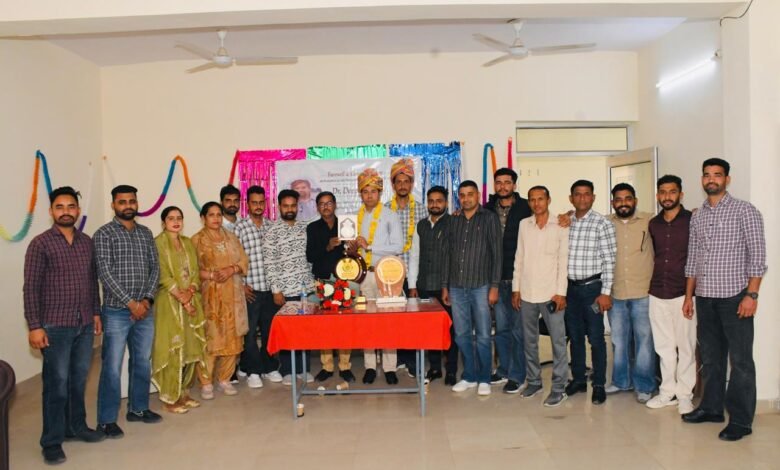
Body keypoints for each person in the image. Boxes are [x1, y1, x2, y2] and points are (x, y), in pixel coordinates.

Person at [682, 158, 767, 442]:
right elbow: (693, 258)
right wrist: (689, 295)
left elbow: (758, 256)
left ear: (727, 179)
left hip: (735, 298)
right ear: (702, 179)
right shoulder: (698, 216)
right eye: (706, 175)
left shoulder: (745, 210)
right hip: (705, 298)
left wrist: (751, 295)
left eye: (717, 175)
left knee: (740, 361)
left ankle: (741, 420)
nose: (711, 179)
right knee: (710, 358)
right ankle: (711, 408)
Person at [23, 186, 105, 465]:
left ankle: (76, 427)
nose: (66, 211)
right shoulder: (40, 244)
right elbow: (31, 288)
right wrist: (35, 326)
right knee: (56, 385)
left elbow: (91, 282)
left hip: (84, 324)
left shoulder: (86, 242)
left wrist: (96, 313)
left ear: (78, 211)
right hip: (54, 325)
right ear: (51, 211)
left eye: (71, 206)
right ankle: (52, 441)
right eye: (60, 207)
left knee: (78, 381)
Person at [95, 184, 161, 438]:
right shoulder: (104, 234)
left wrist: (146, 301)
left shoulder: (145, 233)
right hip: (116, 311)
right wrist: (131, 303)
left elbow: (155, 268)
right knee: (112, 366)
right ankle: (106, 420)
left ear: (136, 203)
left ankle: (138, 408)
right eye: (122, 202)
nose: (128, 206)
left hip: (145, 310)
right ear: (113, 205)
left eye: (131, 201)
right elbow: (105, 272)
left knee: (142, 361)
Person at [442, 180, 502, 396]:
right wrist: (445, 286)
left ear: (478, 195)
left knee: (484, 335)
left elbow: (497, 255)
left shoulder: (489, 218)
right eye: (462, 195)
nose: (466, 198)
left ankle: (485, 378)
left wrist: (494, 286)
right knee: (461, 334)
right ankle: (469, 375)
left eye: (470, 194)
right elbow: (448, 254)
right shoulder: (453, 220)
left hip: (481, 286)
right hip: (457, 287)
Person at [511, 186, 569, 407]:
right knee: (529, 341)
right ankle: (534, 381)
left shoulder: (560, 225)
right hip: (527, 292)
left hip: (552, 294)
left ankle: (559, 387)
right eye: (532, 200)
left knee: (558, 342)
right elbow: (519, 257)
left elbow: (563, 261)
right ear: (529, 203)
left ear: (548, 200)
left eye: (540, 199)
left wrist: (561, 293)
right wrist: (516, 288)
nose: (536, 203)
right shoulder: (524, 225)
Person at [646, 175, 696, 414]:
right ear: (658, 195)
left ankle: (685, 395)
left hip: (683, 294)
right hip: (657, 292)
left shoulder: (692, 220)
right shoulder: (653, 224)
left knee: (685, 347)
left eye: (672, 191)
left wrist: (689, 296)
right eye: (663, 192)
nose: (667, 196)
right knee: (663, 347)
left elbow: (696, 258)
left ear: (681, 194)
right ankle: (667, 393)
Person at [348, 168, 403, 385]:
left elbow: (398, 246)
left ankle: (390, 368)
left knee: (388, 321)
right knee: (367, 321)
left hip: (386, 274)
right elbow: (352, 249)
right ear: (360, 194)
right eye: (365, 191)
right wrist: (352, 247)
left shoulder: (390, 215)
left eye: (373, 191)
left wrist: (370, 246)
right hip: (364, 276)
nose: (369, 195)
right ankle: (370, 366)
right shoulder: (355, 218)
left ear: (380, 193)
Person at [564, 180, 616, 405]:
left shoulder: (602, 223)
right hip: (570, 290)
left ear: (593, 197)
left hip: (593, 289)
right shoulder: (565, 223)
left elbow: (609, 260)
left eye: (587, 194)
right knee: (575, 337)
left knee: (595, 338)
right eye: (578, 194)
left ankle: (599, 384)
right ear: (571, 198)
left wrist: (605, 292)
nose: (582, 198)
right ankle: (578, 379)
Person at [151, 206, 208, 414]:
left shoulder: (187, 243)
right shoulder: (158, 243)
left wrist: (190, 291)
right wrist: (183, 299)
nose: (176, 222)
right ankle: (170, 397)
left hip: (190, 301)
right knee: (173, 348)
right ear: (163, 222)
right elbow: (163, 275)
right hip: (169, 303)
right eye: (171, 218)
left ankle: (183, 393)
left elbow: (194, 272)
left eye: (179, 218)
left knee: (191, 348)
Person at [191, 202, 249, 399]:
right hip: (210, 296)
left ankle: (225, 378)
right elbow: (189, 270)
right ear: (203, 218)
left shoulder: (231, 237)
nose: (216, 218)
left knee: (233, 338)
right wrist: (211, 275)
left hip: (233, 295)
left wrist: (231, 269)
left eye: (218, 215)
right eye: (211, 215)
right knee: (211, 338)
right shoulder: (197, 240)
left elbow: (243, 261)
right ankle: (206, 382)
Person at [605, 183, 656, 404]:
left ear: (635, 200)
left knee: (644, 341)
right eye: (618, 199)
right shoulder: (605, 223)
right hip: (616, 292)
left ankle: (644, 385)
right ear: (612, 202)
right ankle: (621, 381)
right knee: (618, 340)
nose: (623, 203)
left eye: (627, 198)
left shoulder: (650, 220)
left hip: (643, 291)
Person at [262, 189, 317, 385]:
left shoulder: (305, 228)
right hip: (285, 292)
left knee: (305, 331)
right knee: (287, 332)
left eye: (293, 205)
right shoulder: (272, 232)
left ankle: (304, 369)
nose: (290, 209)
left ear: (298, 207)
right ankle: (287, 371)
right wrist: (276, 290)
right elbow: (269, 263)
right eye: (286, 206)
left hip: (306, 288)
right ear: (279, 207)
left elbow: (311, 257)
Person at [484, 167, 531, 393]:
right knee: (501, 329)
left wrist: (566, 216)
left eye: (507, 182)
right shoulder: (487, 209)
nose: (503, 186)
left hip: (518, 279)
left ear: (514, 185)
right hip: (495, 278)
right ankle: (503, 370)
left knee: (518, 330)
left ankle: (518, 375)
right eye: (499, 182)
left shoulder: (526, 208)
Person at [234, 186, 283, 388]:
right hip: (251, 290)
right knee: (250, 333)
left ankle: (269, 367)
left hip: (271, 290)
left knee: (270, 331)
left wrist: (278, 288)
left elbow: (278, 258)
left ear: (266, 203)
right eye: (254, 202)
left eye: (261, 202)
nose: (258, 206)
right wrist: (241, 285)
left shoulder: (272, 226)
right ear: (247, 204)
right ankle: (253, 370)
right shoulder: (240, 228)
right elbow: (234, 259)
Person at [307, 191, 356, 383]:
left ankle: (345, 366)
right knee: (325, 325)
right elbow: (310, 256)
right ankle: (327, 367)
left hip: (343, 280)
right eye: (322, 204)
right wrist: (327, 247)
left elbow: (351, 255)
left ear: (335, 205)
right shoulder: (312, 228)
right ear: (317, 207)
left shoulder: (346, 225)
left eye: (329, 203)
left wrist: (353, 249)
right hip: (323, 280)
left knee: (344, 325)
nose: (326, 207)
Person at [385, 158, 425, 375]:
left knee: (412, 319)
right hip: (389, 273)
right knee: (393, 318)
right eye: (398, 181)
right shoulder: (384, 210)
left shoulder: (421, 210)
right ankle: (398, 357)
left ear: (411, 184)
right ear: (393, 185)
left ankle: (411, 360)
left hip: (413, 272)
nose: (402, 185)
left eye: (406, 181)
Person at [416, 186, 458, 385]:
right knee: (430, 329)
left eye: (439, 200)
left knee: (450, 329)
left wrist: (448, 285)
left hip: (446, 287)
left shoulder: (454, 223)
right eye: (431, 201)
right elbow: (415, 255)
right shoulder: (421, 225)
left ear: (446, 203)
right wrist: (414, 284)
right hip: (425, 285)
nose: (435, 204)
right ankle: (434, 368)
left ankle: (451, 370)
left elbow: (454, 256)